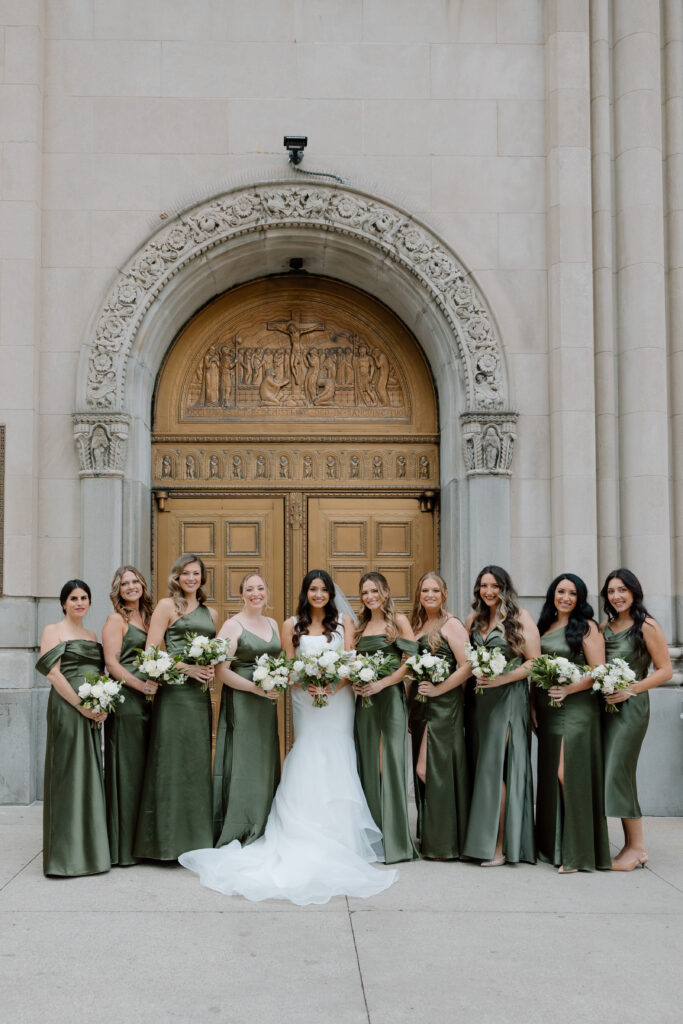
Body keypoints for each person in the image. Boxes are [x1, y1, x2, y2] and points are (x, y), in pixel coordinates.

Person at [180, 571, 398, 904]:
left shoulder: (344, 624)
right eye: (313, 589)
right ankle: (299, 828)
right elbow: (289, 667)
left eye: (324, 589)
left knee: (338, 752)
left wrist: (332, 685)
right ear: (305, 592)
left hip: (338, 701)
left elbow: (350, 662)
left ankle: (340, 834)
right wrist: (305, 683)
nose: (319, 594)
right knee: (308, 750)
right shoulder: (290, 624)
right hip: (305, 701)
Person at [134, 554, 217, 860]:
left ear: (202, 578)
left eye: (196, 573)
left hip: (199, 697)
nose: (191, 578)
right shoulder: (167, 607)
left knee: (195, 765)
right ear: (177, 577)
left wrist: (207, 668)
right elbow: (151, 653)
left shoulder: (212, 614)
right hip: (173, 696)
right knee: (170, 762)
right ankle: (165, 844)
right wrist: (187, 668)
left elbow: (213, 656)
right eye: (185, 573)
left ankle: (196, 841)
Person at [463, 565, 540, 866]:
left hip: (508, 699)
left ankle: (500, 846)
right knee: (485, 770)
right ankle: (482, 840)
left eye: (494, 585)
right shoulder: (473, 620)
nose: (489, 591)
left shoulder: (520, 618)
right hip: (480, 702)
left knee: (501, 770)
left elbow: (535, 662)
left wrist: (502, 679)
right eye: (484, 585)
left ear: (504, 588)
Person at [535, 574, 611, 872]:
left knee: (568, 773)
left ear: (580, 598)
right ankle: (553, 845)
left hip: (578, 707)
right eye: (560, 591)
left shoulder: (587, 627)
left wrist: (568, 688)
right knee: (552, 776)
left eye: (572, 593)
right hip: (548, 709)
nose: (565, 597)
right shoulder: (544, 626)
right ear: (552, 594)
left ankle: (578, 853)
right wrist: (532, 706)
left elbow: (598, 670)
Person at [36, 579, 110, 877]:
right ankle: (64, 856)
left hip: (92, 710)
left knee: (89, 774)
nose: (80, 602)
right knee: (67, 774)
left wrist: (102, 705)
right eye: (74, 598)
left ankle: (90, 853)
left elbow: (101, 672)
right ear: (64, 602)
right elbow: (52, 673)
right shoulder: (52, 631)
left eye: (84, 598)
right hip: (68, 710)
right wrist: (81, 705)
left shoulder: (92, 634)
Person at [600, 569, 672, 870]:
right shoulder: (606, 626)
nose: (617, 596)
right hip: (605, 710)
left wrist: (632, 689)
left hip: (631, 710)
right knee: (618, 773)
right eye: (611, 591)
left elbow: (665, 669)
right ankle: (633, 846)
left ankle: (637, 847)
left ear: (634, 592)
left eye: (622, 590)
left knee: (618, 771)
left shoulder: (647, 625)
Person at [353, 572, 419, 863]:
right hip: (365, 703)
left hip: (390, 699)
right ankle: (374, 840)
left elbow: (412, 662)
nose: (370, 597)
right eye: (365, 592)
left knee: (388, 765)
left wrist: (384, 683)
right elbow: (352, 661)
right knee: (369, 765)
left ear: (386, 592)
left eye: (374, 591)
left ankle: (396, 842)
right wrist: (357, 682)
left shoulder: (399, 622)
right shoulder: (361, 626)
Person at [212, 573, 281, 848]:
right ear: (241, 594)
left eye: (260, 588)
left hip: (266, 704)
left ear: (267, 592)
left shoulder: (273, 623)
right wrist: (254, 689)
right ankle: (240, 825)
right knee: (243, 762)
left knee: (264, 760)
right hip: (242, 702)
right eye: (250, 589)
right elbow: (221, 672)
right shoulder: (232, 625)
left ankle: (263, 821)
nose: (256, 593)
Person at [408, 572, 470, 859]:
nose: (429, 595)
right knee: (425, 772)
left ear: (444, 593)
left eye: (435, 590)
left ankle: (445, 843)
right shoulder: (418, 624)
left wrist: (439, 689)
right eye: (424, 591)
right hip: (421, 706)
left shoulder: (452, 624)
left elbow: (467, 666)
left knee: (430, 770)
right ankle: (433, 837)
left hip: (444, 707)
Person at [102, 565, 155, 867]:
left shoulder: (147, 619)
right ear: (118, 591)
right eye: (125, 584)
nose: (131, 587)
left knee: (145, 770)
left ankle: (143, 840)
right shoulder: (115, 620)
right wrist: (140, 685)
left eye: (135, 582)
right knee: (128, 772)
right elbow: (112, 663)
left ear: (143, 586)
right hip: (127, 703)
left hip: (150, 702)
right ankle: (123, 848)